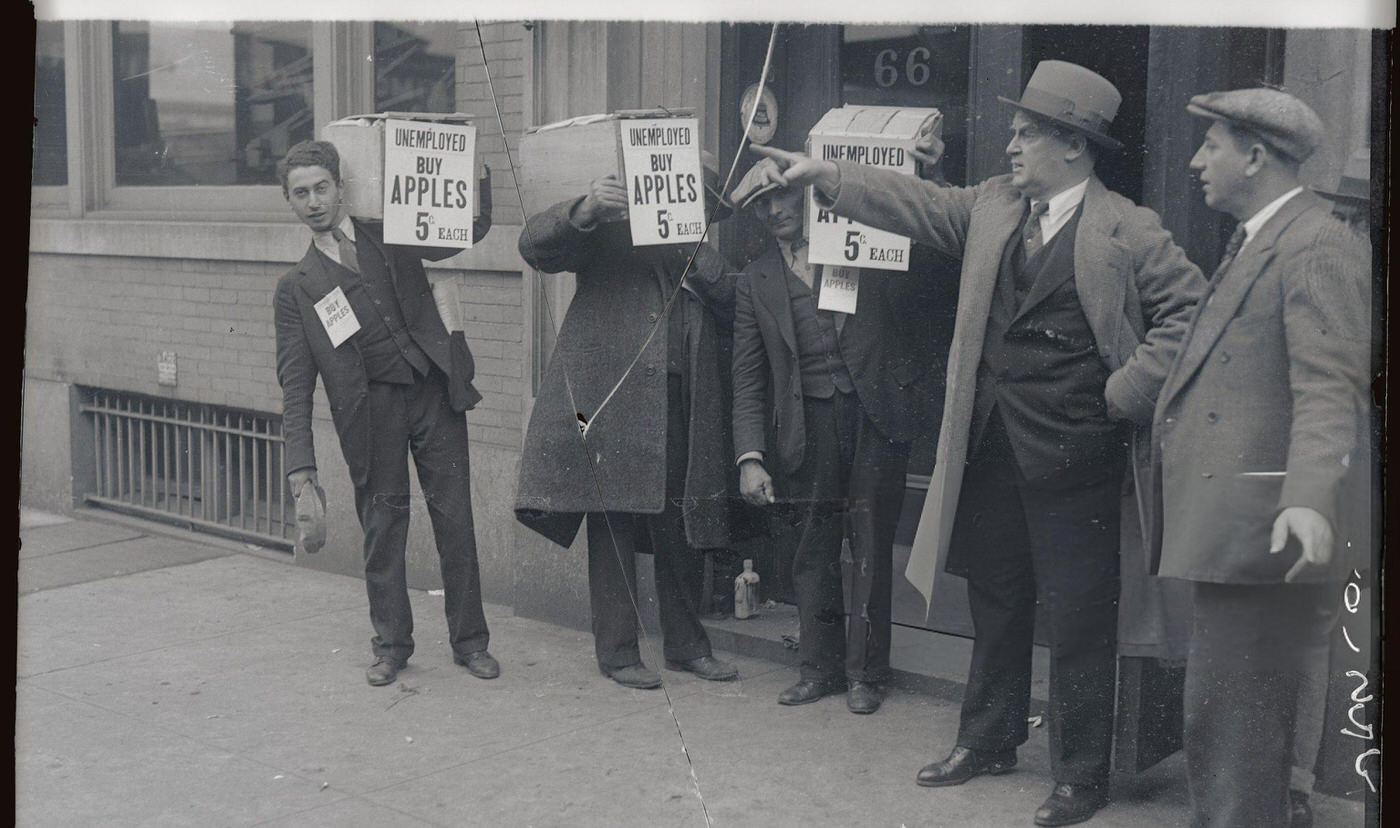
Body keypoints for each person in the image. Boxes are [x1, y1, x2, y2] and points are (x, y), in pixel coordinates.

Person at [752, 60, 1205, 826]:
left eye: (1028, 133)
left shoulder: (1127, 229)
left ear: (1073, 146)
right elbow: (917, 201)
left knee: (1080, 618)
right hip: (993, 447)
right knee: (995, 603)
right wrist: (827, 175)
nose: (1011, 145)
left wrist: (1125, 391)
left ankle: (1079, 777)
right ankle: (989, 740)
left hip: (1079, 458)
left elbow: (1190, 312)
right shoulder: (994, 207)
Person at [1154, 89, 1370, 828]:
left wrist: (1308, 496)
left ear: (1255, 155)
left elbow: (1329, 388)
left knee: (1236, 746)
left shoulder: (1315, 244)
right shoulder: (1265, 237)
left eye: (1211, 145)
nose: (1195, 160)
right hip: (1237, 533)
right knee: (1224, 737)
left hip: (1262, 538)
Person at [728, 155, 956, 714]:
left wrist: (930, 177)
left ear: (809, 198)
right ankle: (819, 669)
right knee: (813, 551)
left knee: (872, 548)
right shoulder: (755, 280)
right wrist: (749, 456)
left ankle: (866, 674)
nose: (777, 211)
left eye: (785, 198)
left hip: (875, 415)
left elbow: (937, 258)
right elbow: (748, 376)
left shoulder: (865, 245)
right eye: (765, 205)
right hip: (808, 427)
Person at [273, 139, 498, 687]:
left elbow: (460, 235)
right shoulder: (294, 289)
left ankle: (470, 642)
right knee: (382, 527)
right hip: (369, 414)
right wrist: (300, 464)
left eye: (321, 188)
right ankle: (391, 645)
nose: (313, 202)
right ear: (289, 202)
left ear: (340, 188)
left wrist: (477, 178)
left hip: (431, 392)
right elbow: (296, 383)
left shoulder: (391, 234)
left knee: (455, 519)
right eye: (300, 193)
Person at [514, 153, 740, 690]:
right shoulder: (607, 236)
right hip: (617, 407)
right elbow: (534, 245)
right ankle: (617, 653)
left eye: (698, 201)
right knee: (611, 524)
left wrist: (685, 245)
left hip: (681, 404)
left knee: (681, 529)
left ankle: (687, 647)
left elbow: (734, 300)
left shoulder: (699, 255)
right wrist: (587, 208)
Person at [1289, 144, 1372, 828]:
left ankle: (1319, 780)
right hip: (1343, 458)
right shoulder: (1336, 260)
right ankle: (1301, 778)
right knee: (1325, 619)